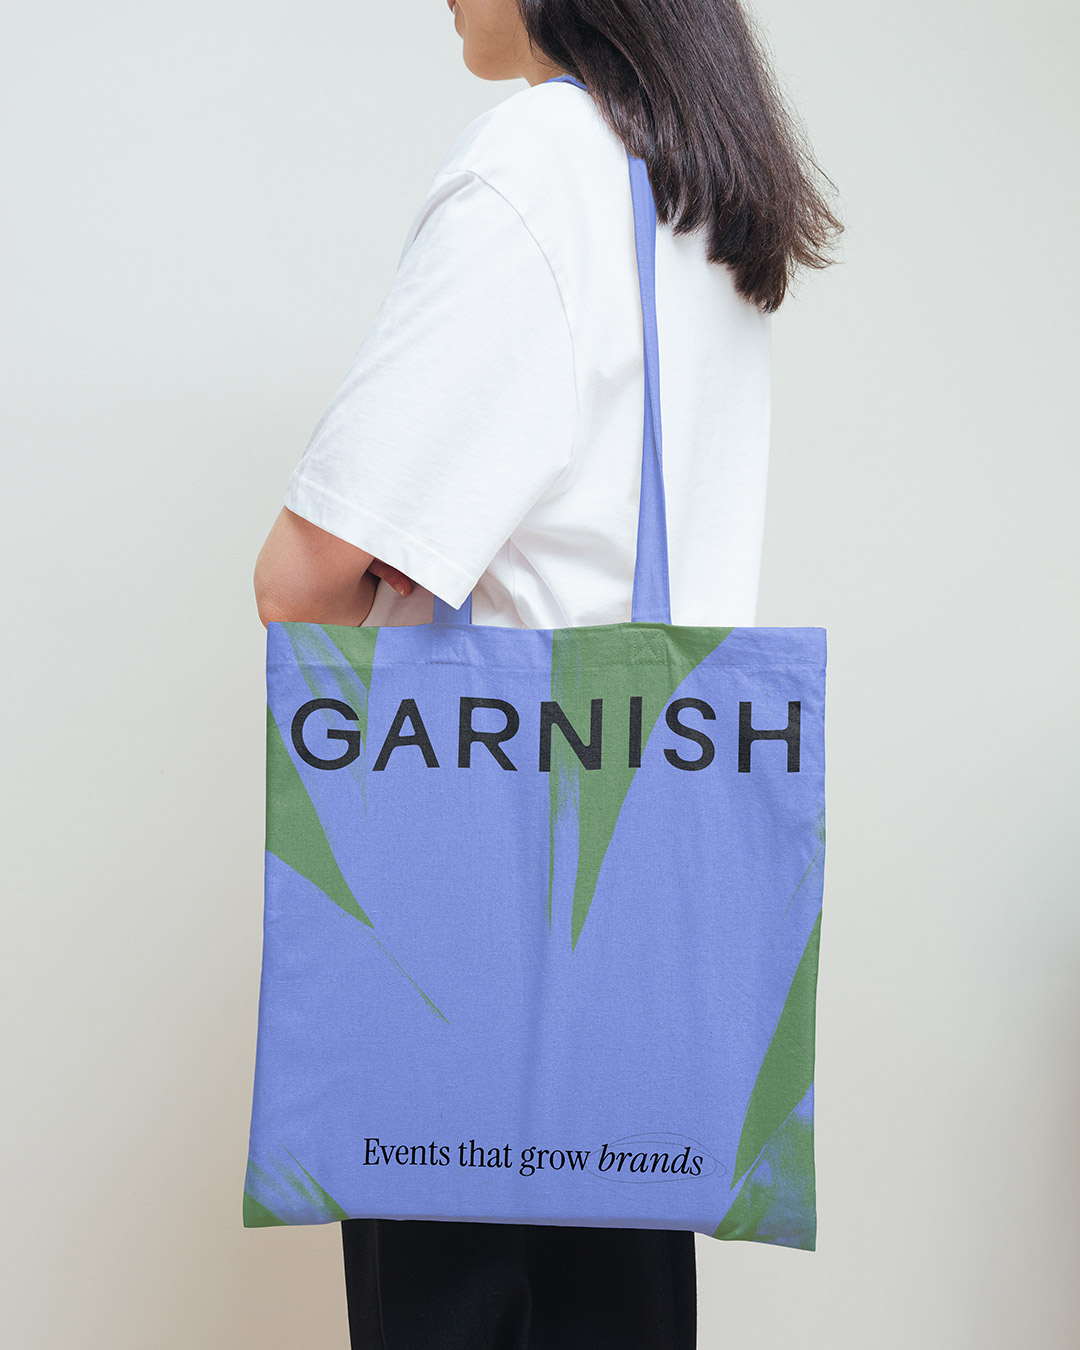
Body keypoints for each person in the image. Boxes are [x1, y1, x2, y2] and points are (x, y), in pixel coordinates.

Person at [254, 1, 842, 1345]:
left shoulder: (537, 160)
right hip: (642, 905)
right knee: (614, 1302)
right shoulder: (689, 186)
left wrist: (393, 588)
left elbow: (301, 580)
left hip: (477, 908)